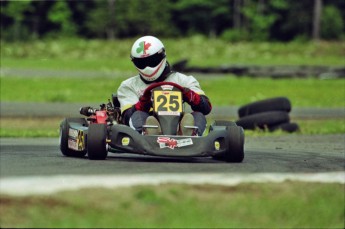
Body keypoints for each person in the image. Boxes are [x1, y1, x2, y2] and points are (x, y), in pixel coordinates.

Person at [117, 35, 212, 136]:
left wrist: (191, 96)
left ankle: (190, 134)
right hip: (148, 123)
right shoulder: (128, 85)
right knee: (138, 115)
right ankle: (147, 134)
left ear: (162, 55)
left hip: (177, 125)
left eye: (152, 61)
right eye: (142, 63)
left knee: (198, 115)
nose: (148, 67)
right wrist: (143, 103)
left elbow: (206, 108)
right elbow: (127, 117)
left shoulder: (183, 80)